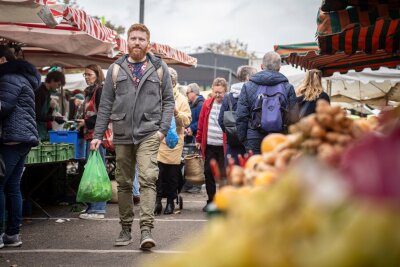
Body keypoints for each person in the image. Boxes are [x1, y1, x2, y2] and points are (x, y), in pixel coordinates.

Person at [91, 23, 174, 250]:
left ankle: (146, 229)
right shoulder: (116, 68)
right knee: (125, 182)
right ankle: (126, 227)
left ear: (148, 43)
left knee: (148, 178)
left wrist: (162, 130)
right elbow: (106, 103)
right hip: (122, 132)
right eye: (133, 38)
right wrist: (98, 134)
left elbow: (168, 101)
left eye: (141, 39)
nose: (137, 42)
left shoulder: (159, 67)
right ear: (127, 41)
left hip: (149, 132)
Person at [0, 45, 41, 247]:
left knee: (1, 185)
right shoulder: (23, 78)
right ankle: (12, 234)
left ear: (1, 60)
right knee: (12, 186)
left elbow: (4, 106)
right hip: (23, 138)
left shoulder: (9, 78)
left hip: (12, 137)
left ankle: (3, 234)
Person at [236, 51, 298, 154]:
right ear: (279, 68)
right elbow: (294, 117)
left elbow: (241, 116)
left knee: (254, 167)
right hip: (279, 138)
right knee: (276, 168)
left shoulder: (248, 86)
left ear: (261, 66)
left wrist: (244, 139)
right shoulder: (288, 87)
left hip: (254, 137)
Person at [155, 67, 191, 215]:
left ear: (172, 82)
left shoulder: (181, 99)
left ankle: (170, 201)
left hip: (174, 141)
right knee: (157, 173)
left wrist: (176, 113)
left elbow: (187, 120)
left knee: (171, 174)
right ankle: (157, 202)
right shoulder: (155, 96)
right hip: (157, 139)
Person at [76, 64, 108, 220]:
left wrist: (86, 123)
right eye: (85, 75)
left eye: (89, 74)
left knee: (97, 172)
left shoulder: (100, 90)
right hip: (90, 136)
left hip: (97, 138)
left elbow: (105, 113)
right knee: (91, 171)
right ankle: (91, 207)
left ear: (97, 74)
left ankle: (98, 209)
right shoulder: (90, 92)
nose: (87, 77)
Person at [196, 77, 227, 212]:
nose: (217, 95)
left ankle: (223, 202)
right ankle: (211, 201)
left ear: (225, 91)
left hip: (223, 146)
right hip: (209, 145)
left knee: (223, 175)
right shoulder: (207, 104)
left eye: (220, 92)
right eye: (215, 92)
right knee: (208, 173)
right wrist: (198, 139)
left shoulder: (228, 104)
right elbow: (201, 123)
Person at [218, 65, 257, 165]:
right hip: (251, 145)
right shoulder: (255, 95)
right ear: (248, 77)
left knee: (233, 176)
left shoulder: (228, 96)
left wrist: (231, 131)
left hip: (233, 145)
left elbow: (221, 120)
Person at [182, 83, 205, 194]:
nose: (186, 94)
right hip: (191, 136)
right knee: (190, 160)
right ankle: (189, 183)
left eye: (188, 92)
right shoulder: (192, 104)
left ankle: (196, 184)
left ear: (194, 92)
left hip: (197, 137)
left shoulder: (200, 104)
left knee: (197, 160)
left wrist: (191, 128)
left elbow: (201, 121)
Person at [35, 70, 66, 141]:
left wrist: (51, 108)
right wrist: (54, 118)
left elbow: (45, 114)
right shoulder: (40, 91)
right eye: (58, 84)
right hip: (36, 129)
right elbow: (37, 115)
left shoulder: (47, 93)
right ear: (52, 80)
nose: (58, 87)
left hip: (42, 129)